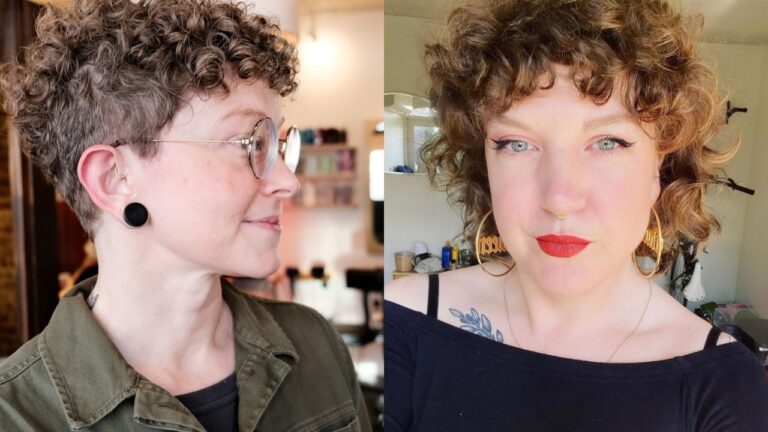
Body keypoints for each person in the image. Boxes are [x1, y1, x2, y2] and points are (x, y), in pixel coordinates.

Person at [384, 0, 768, 430]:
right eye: (516, 143)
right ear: (484, 163)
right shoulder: (405, 322)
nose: (560, 198)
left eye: (608, 142)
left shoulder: (723, 383)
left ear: (659, 168)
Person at [0, 1, 370, 431]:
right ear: (114, 177)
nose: (289, 182)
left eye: (281, 145)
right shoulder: (16, 415)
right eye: (249, 143)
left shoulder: (315, 344)